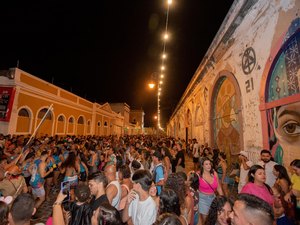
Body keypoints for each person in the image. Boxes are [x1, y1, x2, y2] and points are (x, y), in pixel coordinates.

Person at [198, 157, 223, 225]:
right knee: (206, 221)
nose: (209, 165)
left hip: (213, 198)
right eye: (206, 164)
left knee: (214, 218)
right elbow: (192, 187)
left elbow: (219, 188)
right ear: (202, 165)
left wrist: (222, 199)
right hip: (202, 199)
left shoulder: (214, 174)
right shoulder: (198, 175)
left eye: (209, 164)